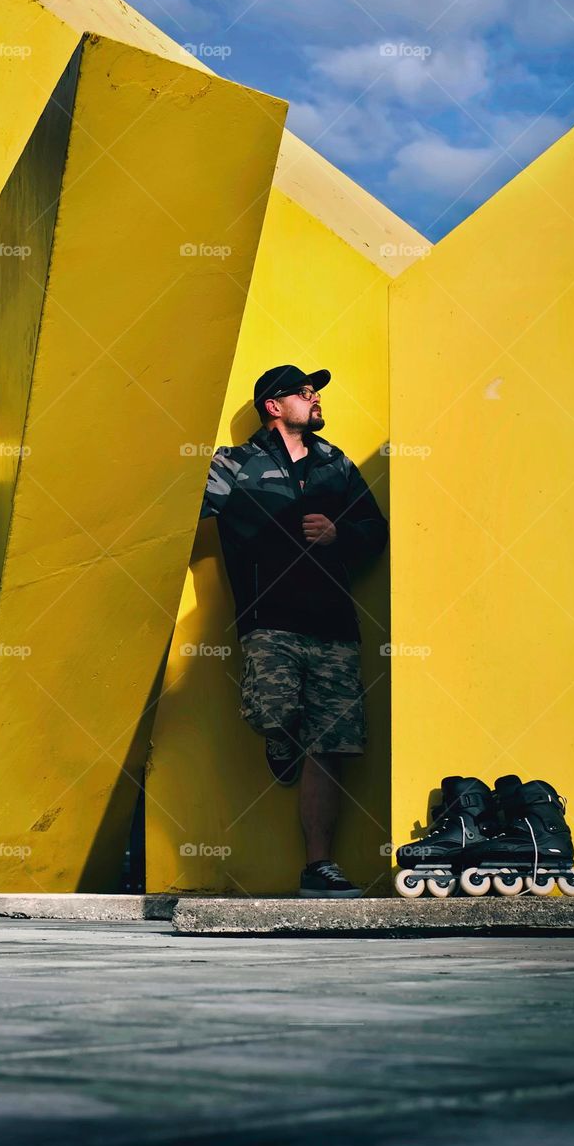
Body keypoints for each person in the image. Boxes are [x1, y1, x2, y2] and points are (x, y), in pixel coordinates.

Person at [199, 363, 389, 897]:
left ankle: (318, 867)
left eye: (316, 393)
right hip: (269, 618)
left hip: (334, 624)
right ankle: (280, 742)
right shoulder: (235, 464)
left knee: (331, 743)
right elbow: (182, 512)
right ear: (273, 406)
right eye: (304, 393)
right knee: (273, 713)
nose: (315, 399)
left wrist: (338, 534)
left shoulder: (337, 464)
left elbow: (376, 530)